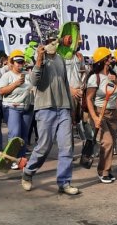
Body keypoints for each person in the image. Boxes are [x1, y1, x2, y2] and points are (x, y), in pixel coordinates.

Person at [21, 33, 79, 195]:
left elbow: (66, 84)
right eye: (50, 41)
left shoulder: (60, 59)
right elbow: (33, 81)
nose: (54, 43)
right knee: (44, 147)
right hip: (45, 108)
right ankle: (28, 172)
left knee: (67, 147)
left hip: (64, 108)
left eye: (55, 40)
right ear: (45, 43)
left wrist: (71, 110)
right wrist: (39, 60)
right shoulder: (38, 57)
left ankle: (64, 182)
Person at [85, 47, 117, 183]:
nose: (111, 60)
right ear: (102, 61)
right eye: (108, 58)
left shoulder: (113, 75)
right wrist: (95, 117)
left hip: (113, 112)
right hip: (99, 112)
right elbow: (88, 99)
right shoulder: (94, 78)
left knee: (111, 143)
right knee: (107, 142)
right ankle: (103, 171)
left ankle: (106, 168)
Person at [0, 50, 34, 169]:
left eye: (22, 62)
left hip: (27, 108)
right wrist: (15, 84)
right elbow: (1, 91)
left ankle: (21, 160)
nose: (20, 64)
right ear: (12, 63)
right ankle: (11, 160)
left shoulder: (27, 75)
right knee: (15, 134)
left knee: (24, 135)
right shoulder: (7, 76)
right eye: (17, 62)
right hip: (12, 107)